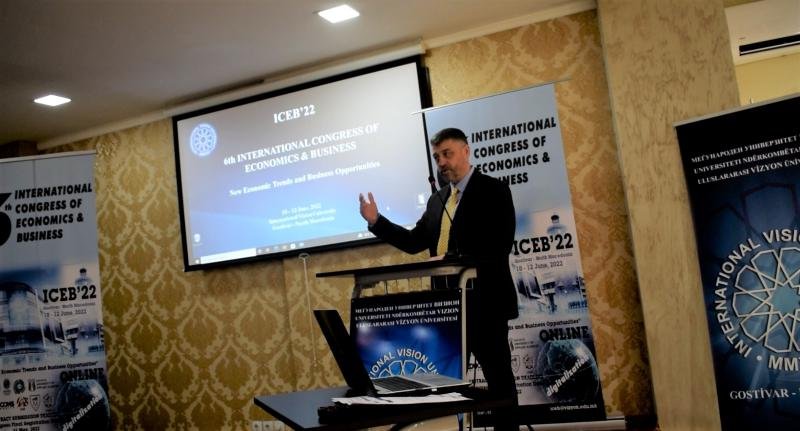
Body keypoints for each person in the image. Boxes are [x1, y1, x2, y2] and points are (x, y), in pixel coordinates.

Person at [359, 127, 518, 430]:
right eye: (436, 157)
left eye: (447, 154)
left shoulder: (494, 190)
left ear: (466, 151)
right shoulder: (437, 201)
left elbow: (499, 246)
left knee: (499, 382)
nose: (441, 162)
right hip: (447, 310)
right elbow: (413, 242)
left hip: (486, 305)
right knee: (446, 384)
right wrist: (377, 222)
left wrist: (451, 260)